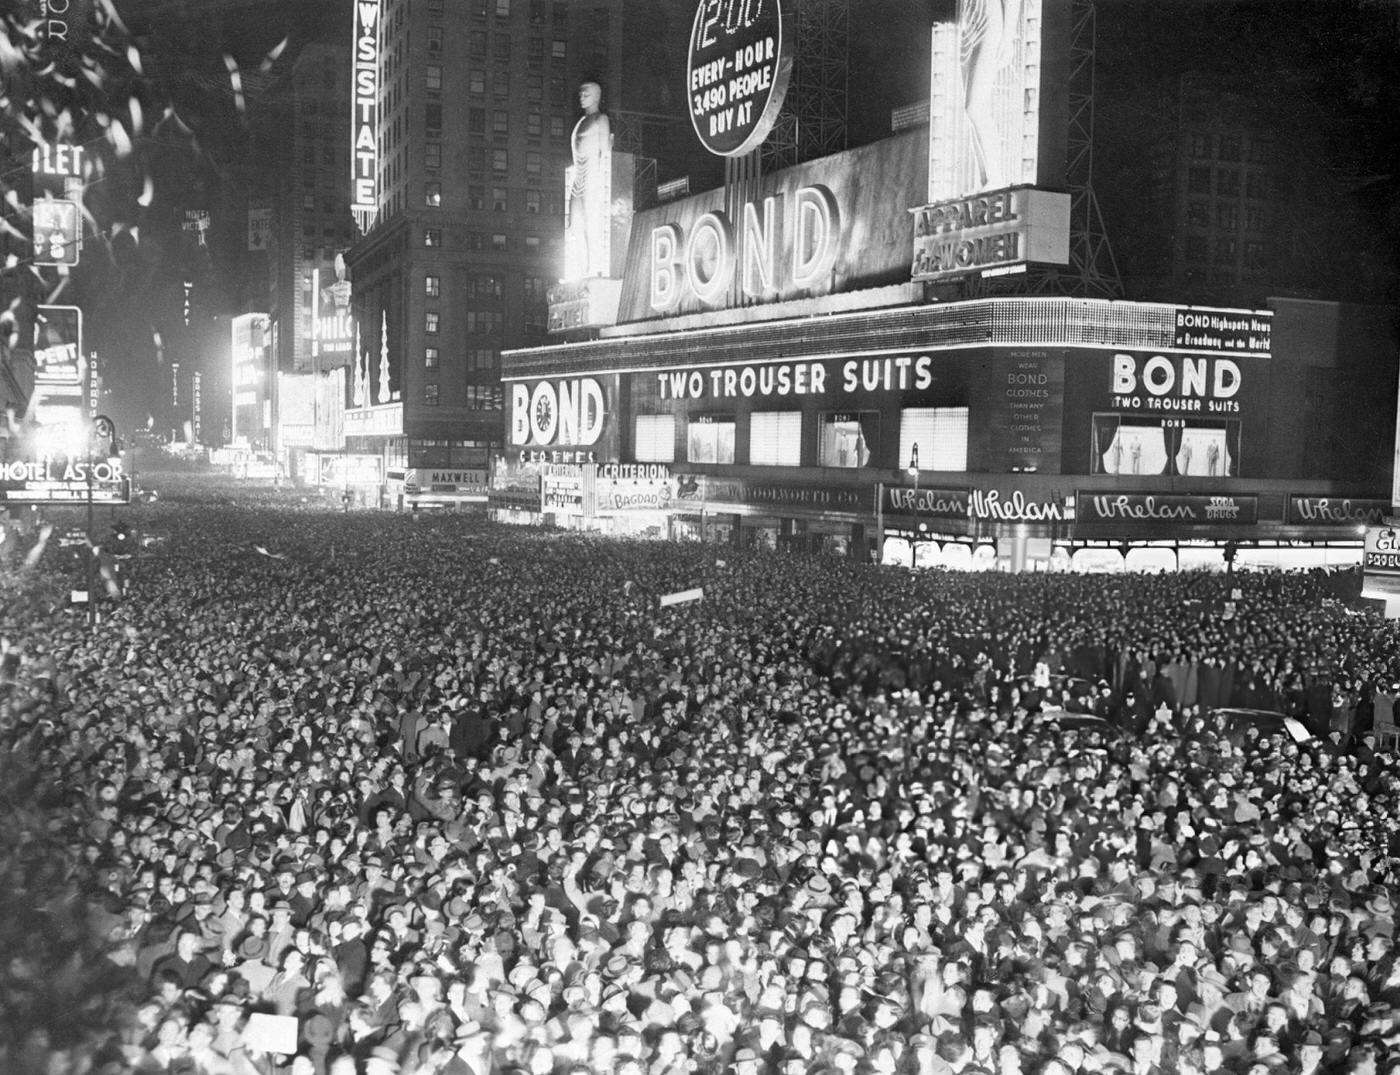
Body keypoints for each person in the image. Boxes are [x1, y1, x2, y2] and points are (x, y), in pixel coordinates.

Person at [564, 81, 612, 280]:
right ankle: (579, 268)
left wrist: (603, 180)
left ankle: (594, 266)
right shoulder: (580, 122)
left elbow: (606, 152)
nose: (582, 97)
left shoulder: (601, 119)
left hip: (593, 177)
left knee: (593, 224)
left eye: (586, 94)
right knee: (575, 225)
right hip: (577, 180)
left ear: (596, 96)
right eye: (581, 94)